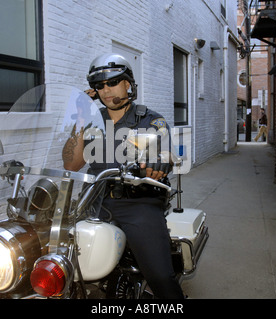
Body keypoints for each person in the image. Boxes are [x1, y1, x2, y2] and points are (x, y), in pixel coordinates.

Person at [62, 53, 184, 299]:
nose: (106, 91)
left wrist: (159, 160)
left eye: (112, 82)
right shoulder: (93, 123)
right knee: (63, 262)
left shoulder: (150, 120)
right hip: (94, 202)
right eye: (99, 86)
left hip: (138, 201)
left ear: (128, 84)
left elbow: (165, 153)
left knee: (160, 276)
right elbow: (71, 163)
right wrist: (81, 117)